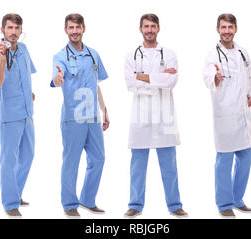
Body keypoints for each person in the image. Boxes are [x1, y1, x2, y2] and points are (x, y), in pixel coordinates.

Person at [123, 13, 187, 218]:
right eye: (146, 26)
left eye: (153, 26)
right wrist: (159, 77)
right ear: (140, 29)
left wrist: (144, 77)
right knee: (137, 166)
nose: (149, 30)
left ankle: (175, 205)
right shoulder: (132, 55)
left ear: (158, 28)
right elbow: (131, 84)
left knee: (169, 164)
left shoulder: (168, 53)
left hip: (164, 115)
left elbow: (171, 81)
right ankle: (135, 204)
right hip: (140, 114)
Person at [51, 13, 110, 218]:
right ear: (66, 30)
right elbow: (57, 80)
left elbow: (96, 83)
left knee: (99, 159)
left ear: (83, 28)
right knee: (71, 161)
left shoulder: (93, 54)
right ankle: (69, 204)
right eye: (70, 28)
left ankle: (87, 199)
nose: (74, 31)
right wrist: (58, 78)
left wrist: (105, 110)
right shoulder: (60, 56)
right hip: (73, 117)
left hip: (93, 117)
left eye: (77, 27)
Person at [203, 13, 251, 218]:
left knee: (246, 157)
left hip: (242, 112)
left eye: (230, 27)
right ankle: (224, 204)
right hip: (224, 112)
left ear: (235, 29)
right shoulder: (212, 54)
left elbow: (249, 75)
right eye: (223, 28)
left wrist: (250, 94)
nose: (226, 31)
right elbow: (207, 76)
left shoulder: (243, 52)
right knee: (224, 160)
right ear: (218, 30)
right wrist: (215, 77)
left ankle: (237, 198)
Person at [0, 13, 36, 217]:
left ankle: (15, 192)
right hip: (9, 116)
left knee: (28, 156)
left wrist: (29, 93)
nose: (13, 32)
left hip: (27, 113)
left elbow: (26, 74)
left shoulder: (23, 50)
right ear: (2, 30)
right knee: (9, 160)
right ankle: (9, 203)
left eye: (17, 28)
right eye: (10, 28)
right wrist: (1, 61)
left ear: (21, 30)